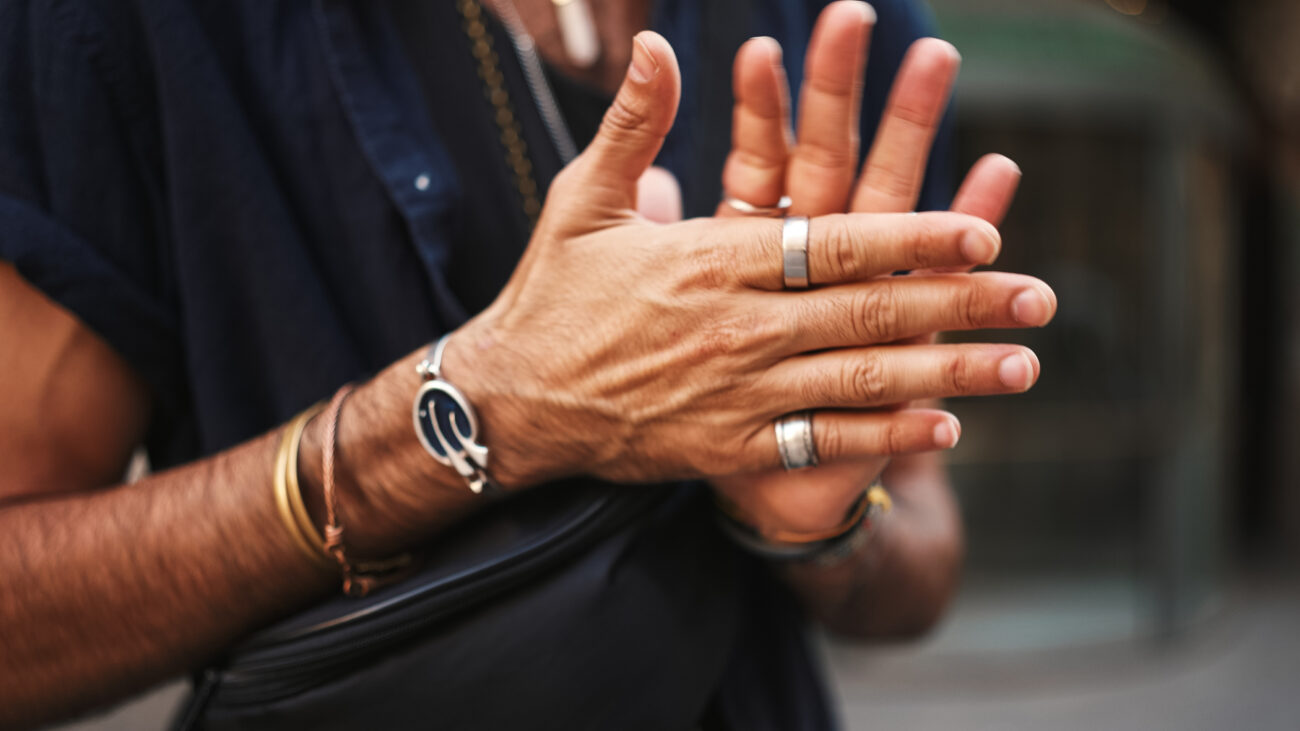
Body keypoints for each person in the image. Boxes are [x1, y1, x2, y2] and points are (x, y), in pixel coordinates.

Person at [0, 0, 1051, 728]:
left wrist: (817, 529)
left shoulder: (836, 24)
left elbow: (923, 544)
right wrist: (472, 409)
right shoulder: (140, 26)